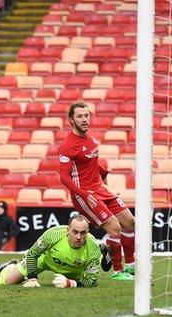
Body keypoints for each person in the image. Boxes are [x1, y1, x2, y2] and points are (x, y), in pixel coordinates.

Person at [58, 102, 136, 280]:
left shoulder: (90, 140)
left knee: (130, 222)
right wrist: (85, 194)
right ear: (71, 120)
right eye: (80, 116)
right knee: (115, 228)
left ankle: (130, 265)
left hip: (100, 189)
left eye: (86, 116)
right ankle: (117, 271)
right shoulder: (67, 146)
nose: (84, 119)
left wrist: (102, 171)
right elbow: (64, 177)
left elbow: (90, 162)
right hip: (85, 195)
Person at [0, 215, 103, 288]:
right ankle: (12, 265)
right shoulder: (53, 235)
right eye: (75, 232)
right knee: (6, 282)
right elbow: (33, 254)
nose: (78, 237)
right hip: (44, 261)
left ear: (87, 232)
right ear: (68, 230)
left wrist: (70, 283)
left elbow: (92, 281)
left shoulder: (93, 248)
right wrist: (32, 279)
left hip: (73, 272)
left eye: (82, 233)